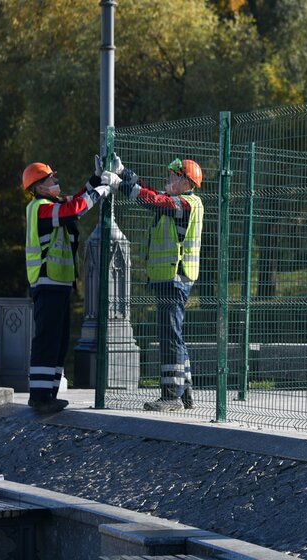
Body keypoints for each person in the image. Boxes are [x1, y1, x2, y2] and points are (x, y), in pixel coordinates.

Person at [23, 160, 113, 413]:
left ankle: (48, 394)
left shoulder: (53, 204)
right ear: (39, 187)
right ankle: (39, 397)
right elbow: (75, 210)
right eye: (50, 180)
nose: (55, 183)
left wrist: (95, 180)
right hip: (47, 282)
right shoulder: (41, 208)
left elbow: (75, 200)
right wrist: (102, 192)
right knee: (47, 340)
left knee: (59, 341)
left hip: (59, 283)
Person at [116, 158, 204, 412]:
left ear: (185, 182)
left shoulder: (184, 204)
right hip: (170, 278)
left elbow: (151, 200)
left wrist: (118, 185)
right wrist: (123, 173)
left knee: (169, 336)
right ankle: (184, 388)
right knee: (173, 333)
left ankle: (170, 397)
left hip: (174, 279)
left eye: (173, 175)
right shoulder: (177, 202)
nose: (168, 178)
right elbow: (151, 194)